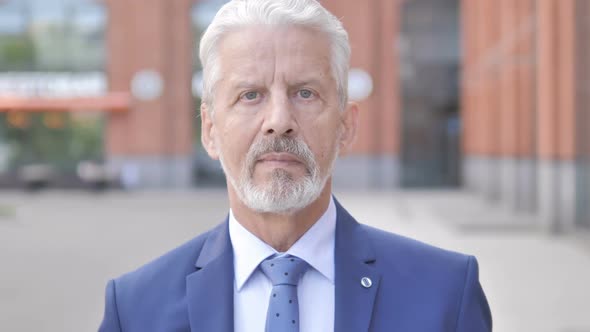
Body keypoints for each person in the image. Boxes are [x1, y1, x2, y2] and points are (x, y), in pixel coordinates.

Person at [98, 0, 492, 331]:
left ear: (346, 127)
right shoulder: (135, 309)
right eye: (250, 95)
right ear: (210, 130)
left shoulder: (444, 295)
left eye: (305, 93)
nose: (278, 119)